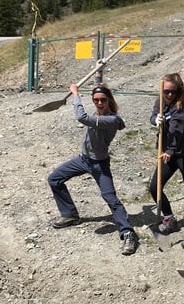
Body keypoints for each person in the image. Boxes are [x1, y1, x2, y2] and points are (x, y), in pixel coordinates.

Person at [47, 83, 139, 255]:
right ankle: (70, 215)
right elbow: (99, 86)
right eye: (96, 100)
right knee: (54, 179)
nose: (99, 103)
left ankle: (128, 233)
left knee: (110, 197)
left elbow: (81, 117)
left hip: (99, 165)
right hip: (83, 160)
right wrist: (100, 70)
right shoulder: (98, 114)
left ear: (109, 100)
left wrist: (75, 94)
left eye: (103, 100)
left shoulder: (111, 120)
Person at [148, 73, 184, 248]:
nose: (169, 95)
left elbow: (176, 130)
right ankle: (169, 218)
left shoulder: (180, 107)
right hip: (167, 153)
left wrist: (170, 150)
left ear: (178, 91)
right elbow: (152, 116)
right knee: (154, 187)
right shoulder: (160, 101)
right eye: (166, 91)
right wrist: (155, 120)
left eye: (173, 92)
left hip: (183, 153)